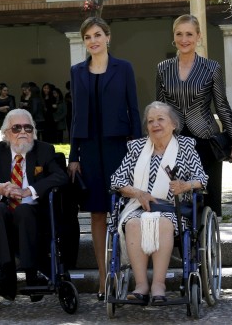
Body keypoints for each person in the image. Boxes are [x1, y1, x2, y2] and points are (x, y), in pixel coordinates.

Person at [68, 16, 142, 301]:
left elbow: (133, 110)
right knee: (97, 214)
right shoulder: (77, 72)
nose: (93, 41)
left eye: (97, 35)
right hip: (89, 149)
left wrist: (136, 150)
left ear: (108, 37)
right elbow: (75, 117)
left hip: (118, 148)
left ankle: (126, 270)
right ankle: (103, 276)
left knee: (122, 212)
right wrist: (74, 155)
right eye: (88, 37)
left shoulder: (124, 68)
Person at [110, 101, 208, 303]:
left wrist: (186, 185)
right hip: (139, 206)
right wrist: (138, 193)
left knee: (163, 222)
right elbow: (116, 180)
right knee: (133, 223)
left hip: (174, 208)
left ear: (173, 124)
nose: (155, 124)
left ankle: (159, 285)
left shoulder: (186, 146)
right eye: (151, 121)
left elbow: (202, 178)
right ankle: (141, 285)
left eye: (160, 119)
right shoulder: (137, 147)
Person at [0, 109, 68, 300]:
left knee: (24, 209)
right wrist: (0, 188)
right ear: (6, 133)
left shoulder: (44, 150)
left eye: (28, 127)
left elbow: (60, 176)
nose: (23, 132)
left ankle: (32, 273)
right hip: (3, 215)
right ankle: (7, 273)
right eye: (16, 128)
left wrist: (30, 191)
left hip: (32, 214)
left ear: (33, 132)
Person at [156, 14, 232, 216]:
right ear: (173, 37)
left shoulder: (212, 68)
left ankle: (207, 243)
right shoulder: (163, 69)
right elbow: (160, 109)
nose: (184, 39)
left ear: (198, 36)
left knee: (207, 201)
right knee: (176, 201)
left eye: (189, 34)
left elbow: (222, 106)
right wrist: (155, 140)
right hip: (174, 142)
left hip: (206, 142)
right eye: (179, 34)